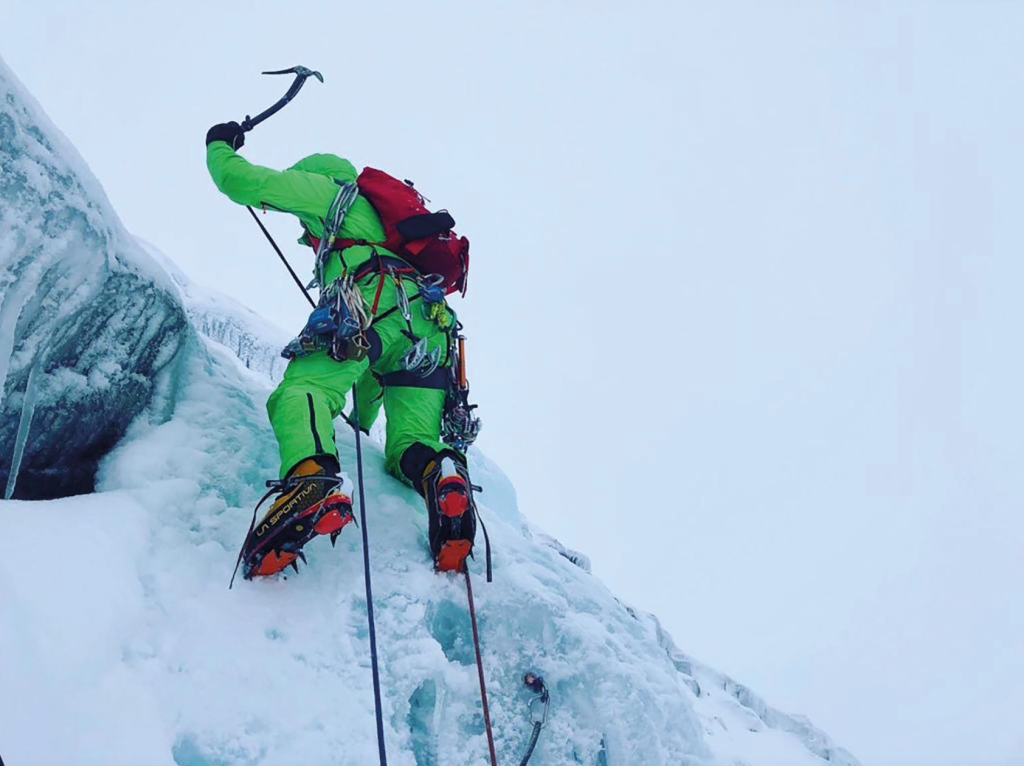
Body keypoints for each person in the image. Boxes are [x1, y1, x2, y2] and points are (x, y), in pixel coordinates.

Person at [205, 120, 476, 580]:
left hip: (369, 301)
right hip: (429, 327)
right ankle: (440, 473)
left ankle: (311, 478)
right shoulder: (393, 229)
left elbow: (240, 181)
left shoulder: (330, 192)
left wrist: (218, 145)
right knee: (410, 445)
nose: (309, 237)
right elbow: (373, 370)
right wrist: (360, 427)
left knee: (303, 389)